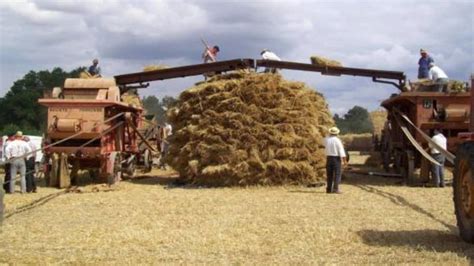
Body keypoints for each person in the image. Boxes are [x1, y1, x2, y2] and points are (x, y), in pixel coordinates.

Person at [324, 127, 347, 194]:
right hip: (336, 159)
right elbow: (341, 151)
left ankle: (328, 189)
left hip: (328, 158)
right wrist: (345, 161)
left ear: (330, 133)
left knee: (329, 174)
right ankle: (335, 189)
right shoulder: (337, 140)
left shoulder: (326, 140)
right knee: (337, 174)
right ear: (337, 133)